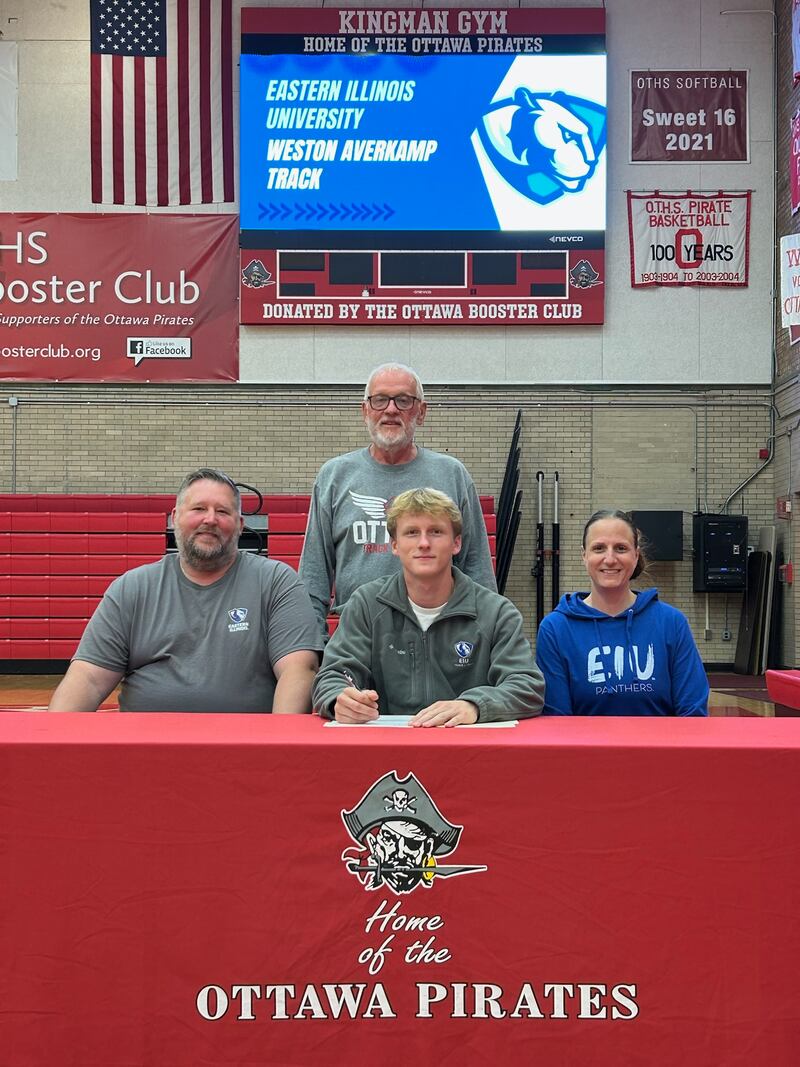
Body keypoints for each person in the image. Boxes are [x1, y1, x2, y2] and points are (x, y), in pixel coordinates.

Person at [48, 468, 323, 713]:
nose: (210, 520)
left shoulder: (276, 582)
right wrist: (53, 745)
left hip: (245, 754)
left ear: (240, 526)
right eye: (199, 509)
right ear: (175, 518)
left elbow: (298, 671)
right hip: (143, 750)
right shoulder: (132, 588)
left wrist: (279, 751)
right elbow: (89, 677)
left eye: (223, 511)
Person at [312, 488, 544, 725]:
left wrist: (475, 705)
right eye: (412, 532)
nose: (423, 543)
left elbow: (526, 685)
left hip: (469, 750)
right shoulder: (366, 605)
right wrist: (340, 699)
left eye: (435, 532)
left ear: (456, 543)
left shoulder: (496, 612)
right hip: (385, 750)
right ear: (394, 545)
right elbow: (331, 677)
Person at [299, 362, 496, 637]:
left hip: (438, 635)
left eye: (403, 400)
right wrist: (313, 648)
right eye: (380, 400)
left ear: (422, 411)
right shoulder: (334, 476)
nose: (391, 410)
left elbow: (477, 570)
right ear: (365, 410)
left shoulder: (452, 475)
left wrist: (483, 638)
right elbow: (313, 575)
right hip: (358, 637)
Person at [535, 509, 709, 716]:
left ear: (635, 555)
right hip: (587, 749)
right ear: (584, 556)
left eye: (620, 548)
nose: (610, 559)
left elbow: (693, 712)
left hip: (658, 748)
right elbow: (556, 719)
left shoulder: (671, 623)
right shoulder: (556, 628)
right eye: (599, 548)